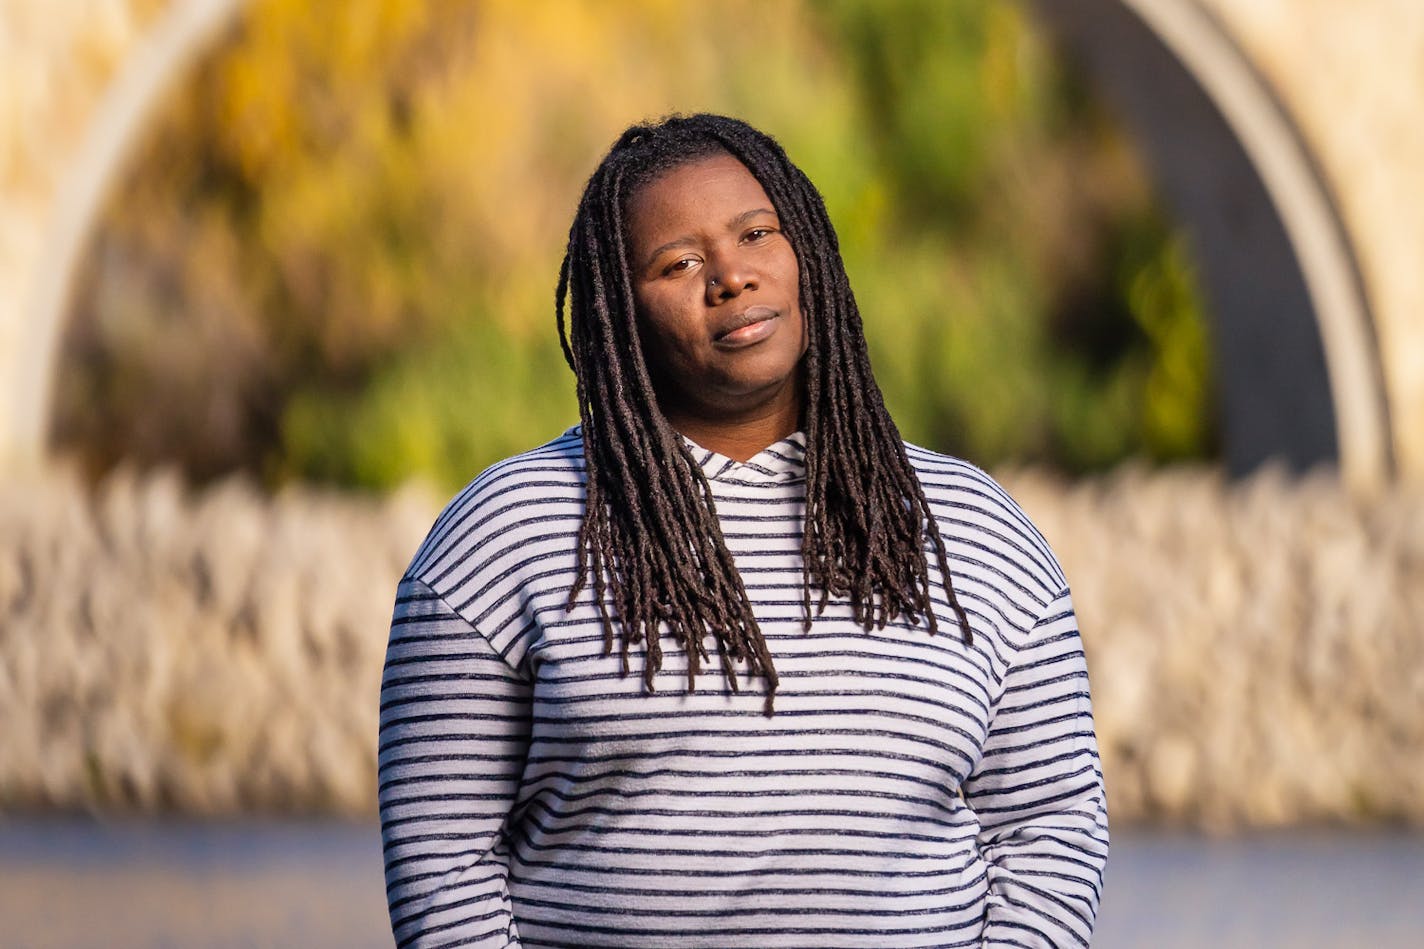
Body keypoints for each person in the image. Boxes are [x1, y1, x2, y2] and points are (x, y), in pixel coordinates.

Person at [378, 113, 1108, 948]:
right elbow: (441, 859)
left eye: (757, 233)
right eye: (678, 262)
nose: (730, 275)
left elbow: (1052, 824)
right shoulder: (502, 536)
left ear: (809, 255)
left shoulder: (975, 531)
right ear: (620, 314)